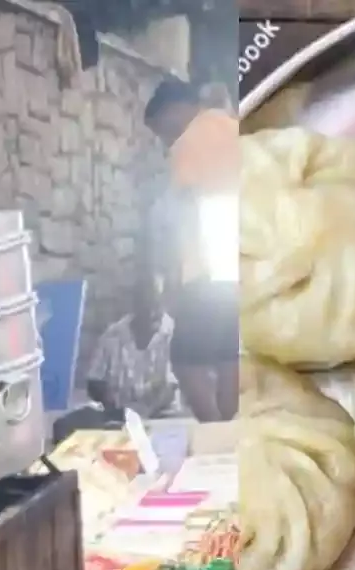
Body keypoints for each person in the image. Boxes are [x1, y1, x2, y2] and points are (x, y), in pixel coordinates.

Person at [143, 79, 238, 422]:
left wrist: (171, 280)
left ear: (175, 110)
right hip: (237, 261)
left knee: (185, 359)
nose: (166, 141)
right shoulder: (232, 125)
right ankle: (230, 432)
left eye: (162, 131)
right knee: (229, 354)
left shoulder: (189, 142)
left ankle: (215, 427)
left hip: (205, 266)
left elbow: (181, 211)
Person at [84, 292, 181, 420]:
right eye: (144, 302)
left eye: (154, 301)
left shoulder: (177, 336)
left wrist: (149, 412)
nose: (150, 309)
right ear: (134, 302)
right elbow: (94, 380)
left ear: (164, 301)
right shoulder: (112, 335)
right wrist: (107, 399)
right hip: (119, 420)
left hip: (164, 420)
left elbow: (176, 385)